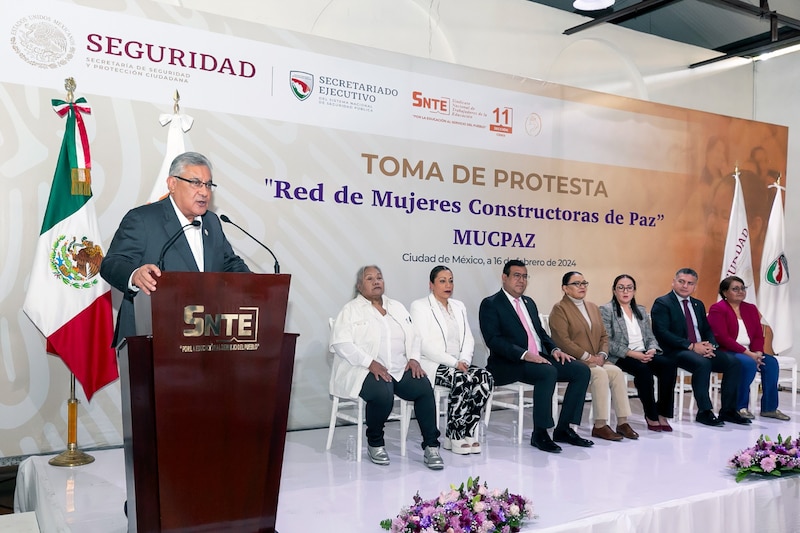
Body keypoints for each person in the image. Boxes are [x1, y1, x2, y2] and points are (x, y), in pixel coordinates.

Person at [100, 151, 250, 346]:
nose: (204, 192)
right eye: (196, 183)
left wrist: (256, 287)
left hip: (202, 336)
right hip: (148, 336)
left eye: (208, 184)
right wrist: (134, 274)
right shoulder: (143, 219)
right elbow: (111, 263)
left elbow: (229, 263)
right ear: (172, 184)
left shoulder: (212, 222)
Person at [330, 265, 443, 469]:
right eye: (369, 278)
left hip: (399, 368)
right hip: (363, 370)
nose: (376, 281)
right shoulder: (350, 310)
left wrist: (414, 358)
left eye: (379, 278)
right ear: (359, 285)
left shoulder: (397, 307)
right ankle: (375, 442)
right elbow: (341, 343)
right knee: (383, 392)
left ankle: (431, 446)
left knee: (424, 387)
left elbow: (415, 336)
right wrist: (369, 362)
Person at [479, 260, 592, 454]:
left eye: (524, 276)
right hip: (507, 363)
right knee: (547, 372)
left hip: (538, 357)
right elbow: (493, 340)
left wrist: (555, 349)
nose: (521, 280)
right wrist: (525, 354)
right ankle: (540, 433)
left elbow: (540, 333)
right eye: (516, 276)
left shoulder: (528, 303)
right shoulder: (491, 304)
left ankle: (564, 429)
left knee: (581, 370)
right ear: (504, 277)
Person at [410, 266, 494, 455]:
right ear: (431, 285)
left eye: (451, 280)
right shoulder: (420, 306)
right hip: (433, 363)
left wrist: (463, 359)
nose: (448, 285)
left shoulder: (459, 306)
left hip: (459, 362)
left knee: (485, 377)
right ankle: (454, 434)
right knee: (462, 379)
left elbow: (468, 338)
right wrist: (454, 363)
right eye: (442, 281)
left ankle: (468, 431)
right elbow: (423, 344)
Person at [651, 268, 749, 427]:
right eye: (681, 281)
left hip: (700, 348)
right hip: (675, 351)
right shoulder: (663, 303)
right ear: (673, 282)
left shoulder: (698, 304)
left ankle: (728, 410)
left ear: (694, 287)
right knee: (703, 364)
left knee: (734, 363)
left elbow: (706, 329)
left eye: (690, 283)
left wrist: (710, 345)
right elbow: (662, 333)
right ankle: (704, 411)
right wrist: (691, 346)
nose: (685, 286)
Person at [549, 272, 638, 442]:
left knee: (616, 372)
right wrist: (588, 357)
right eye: (576, 283)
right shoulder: (559, 309)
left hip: (598, 358)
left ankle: (622, 422)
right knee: (600, 374)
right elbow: (563, 341)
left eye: (584, 283)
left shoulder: (592, 306)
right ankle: (600, 425)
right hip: (576, 361)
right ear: (565, 289)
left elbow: (604, 336)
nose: (582, 286)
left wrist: (602, 354)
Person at [600, 274, 678, 432]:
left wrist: (652, 349)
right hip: (622, 355)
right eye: (621, 288)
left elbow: (650, 336)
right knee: (644, 371)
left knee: (669, 365)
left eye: (629, 288)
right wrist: (632, 354)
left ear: (634, 291)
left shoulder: (640, 310)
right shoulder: (606, 310)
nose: (625, 291)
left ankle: (662, 413)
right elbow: (607, 341)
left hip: (644, 352)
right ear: (614, 291)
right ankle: (651, 415)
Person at [707, 276, 790, 421]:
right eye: (735, 289)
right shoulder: (718, 309)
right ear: (725, 292)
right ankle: (739, 407)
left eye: (742, 288)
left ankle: (769, 408)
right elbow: (722, 338)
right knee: (747, 363)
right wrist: (749, 354)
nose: (740, 291)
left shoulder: (750, 308)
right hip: (727, 350)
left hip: (751, 351)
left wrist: (757, 352)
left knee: (771, 363)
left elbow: (758, 335)